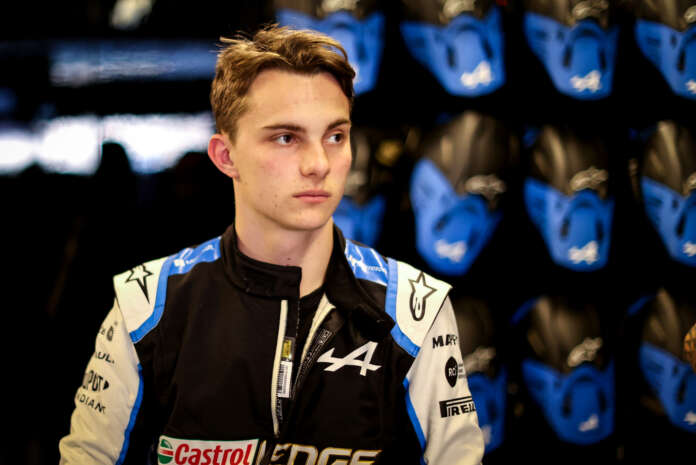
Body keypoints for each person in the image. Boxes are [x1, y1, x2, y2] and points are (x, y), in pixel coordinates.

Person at [59, 24, 484, 465]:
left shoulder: (416, 309)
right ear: (226, 156)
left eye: (335, 137)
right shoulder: (146, 304)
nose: (319, 164)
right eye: (286, 138)